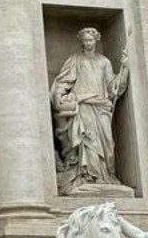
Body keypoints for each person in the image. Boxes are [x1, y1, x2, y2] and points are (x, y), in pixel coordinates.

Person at [49, 27, 129, 192]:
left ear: (96, 40)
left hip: (102, 106)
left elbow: (113, 88)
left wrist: (125, 68)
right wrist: (60, 98)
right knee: (89, 142)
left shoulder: (104, 62)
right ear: (82, 41)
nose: (88, 43)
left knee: (107, 144)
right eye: (85, 40)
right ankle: (89, 176)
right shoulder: (75, 60)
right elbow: (63, 82)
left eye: (91, 40)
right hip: (84, 105)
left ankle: (105, 175)